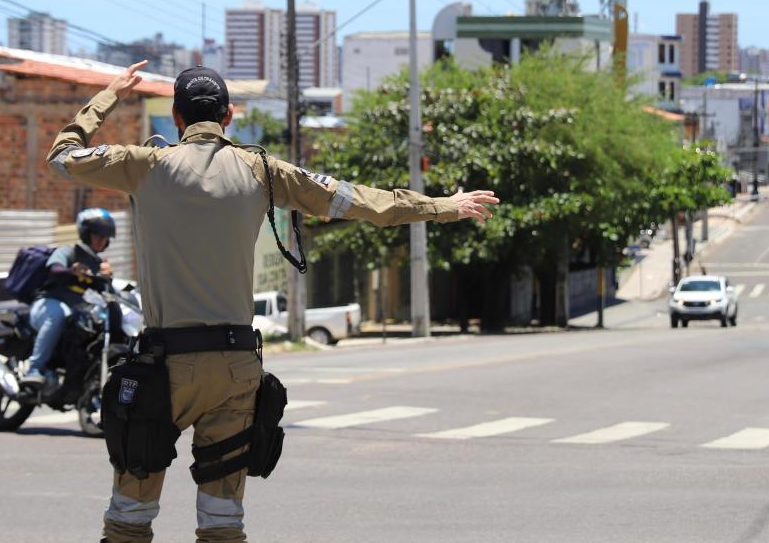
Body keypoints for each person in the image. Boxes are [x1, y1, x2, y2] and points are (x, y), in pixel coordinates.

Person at [46, 61, 498, 543]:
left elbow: (61, 156)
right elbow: (360, 202)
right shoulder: (262, 170)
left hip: (163, 369)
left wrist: (110, 93)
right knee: (221, 524)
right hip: (235, 369)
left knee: (129, 521)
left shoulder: (143, 164)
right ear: (230, 115)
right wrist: (444, 206)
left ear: (176, 118)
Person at [24, 207, 116, 385]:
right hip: (48, 304)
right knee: (58, 316)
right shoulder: (69, 252)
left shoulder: (101, 264)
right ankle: (34, 367)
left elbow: (108, 294)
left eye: (105, 238)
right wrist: (72, 270)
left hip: (78, 310)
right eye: (98, 235)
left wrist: (107, 279)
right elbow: (55, 270)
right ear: (86, 234)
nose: (101, 241)